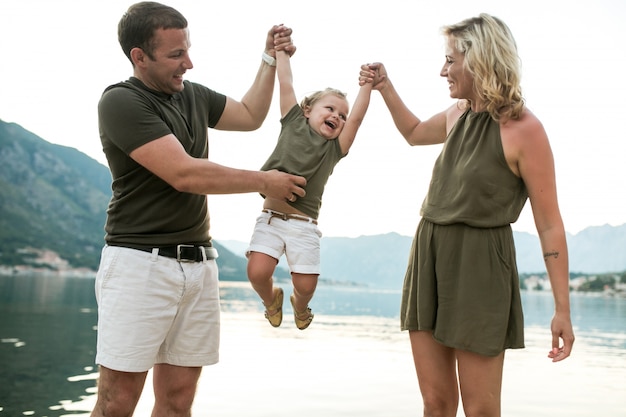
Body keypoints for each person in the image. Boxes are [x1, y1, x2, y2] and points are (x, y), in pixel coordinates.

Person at [93, 2, 306, 416]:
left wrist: (268, 58)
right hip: (140, 265)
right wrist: (266, 182)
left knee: (177, 403)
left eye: (187, 50)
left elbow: (249, 116)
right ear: (139, 57)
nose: (188, 63)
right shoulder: (121, 102)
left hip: (199, 266)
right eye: (176, 55)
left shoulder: (192, 94)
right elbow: (185, 174)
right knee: (116, 403)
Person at [359, 13, 575, 417]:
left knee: (480, 409)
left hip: (481, 267)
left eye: (450, 60)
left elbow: (549, 224)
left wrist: (562, 309)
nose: (443, 70)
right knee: (436, 404)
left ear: (480, 60)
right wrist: (385, 87)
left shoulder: (525, 129)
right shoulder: (458, 113)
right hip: (430, 255)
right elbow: (413, 133)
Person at [246, 43, 373, 330]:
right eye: (330, 109)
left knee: (305, 285)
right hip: (271, 219)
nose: (337, 117)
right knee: (257, 272)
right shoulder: (292, 121)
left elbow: (357, 118)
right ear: (307, 110)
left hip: (304, 226)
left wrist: (367, 85)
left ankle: (300, 306)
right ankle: (271, 300)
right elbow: (286, 83)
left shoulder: (335, 149)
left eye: (341, 115)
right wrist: (280, 52)